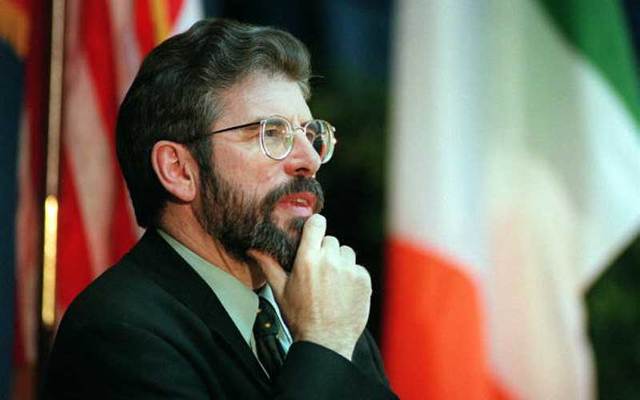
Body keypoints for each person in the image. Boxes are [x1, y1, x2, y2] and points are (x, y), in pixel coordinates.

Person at [45, 18, 397, 399]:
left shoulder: (329, 305)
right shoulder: (118, 332)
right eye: (272, 133)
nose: (309, 159)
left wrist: (330, 336)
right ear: (179, 170)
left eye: (312, 135)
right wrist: (323, 345)